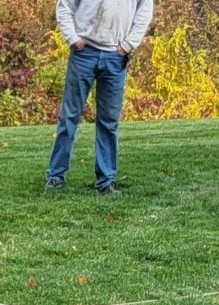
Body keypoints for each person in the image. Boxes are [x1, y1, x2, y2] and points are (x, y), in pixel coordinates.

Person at [45, 0, 154, 194]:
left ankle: (106, 182)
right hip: (83, 53)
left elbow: (144, 11)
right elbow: (64, 6)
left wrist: (128, 45)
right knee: (69, 116)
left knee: (108, 122)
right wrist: (73, 39)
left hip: (115, 56)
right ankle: (55, 176)